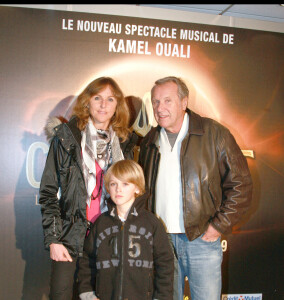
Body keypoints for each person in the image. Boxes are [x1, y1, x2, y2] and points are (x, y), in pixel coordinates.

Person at [138, 76, 253, 300]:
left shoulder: (214, 134)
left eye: (167, 101)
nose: (160, 108)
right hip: (161, 243)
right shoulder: (149, 141)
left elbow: (241, 184)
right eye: (155, 102)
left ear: (184, 102)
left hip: (201, 239)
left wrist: (218, 225)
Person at [39, 77, 138, 300]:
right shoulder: (66, 138)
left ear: (117, 105)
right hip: (69, 237)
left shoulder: (125, 143)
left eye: (110, 99)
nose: (103, 105)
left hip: (109, 236)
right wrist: (54, 239)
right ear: (87, 102)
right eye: (97, 98)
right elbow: (48, 192)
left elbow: (131, 194)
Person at [77, 160, 174, 300]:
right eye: (113, 184)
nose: (118, 189)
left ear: (137, 188)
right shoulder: (100, 223)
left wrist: (162, 297)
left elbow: (165, 264)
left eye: (125, 184)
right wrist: (88, 294)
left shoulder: (152, 224)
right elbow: (87, 260)